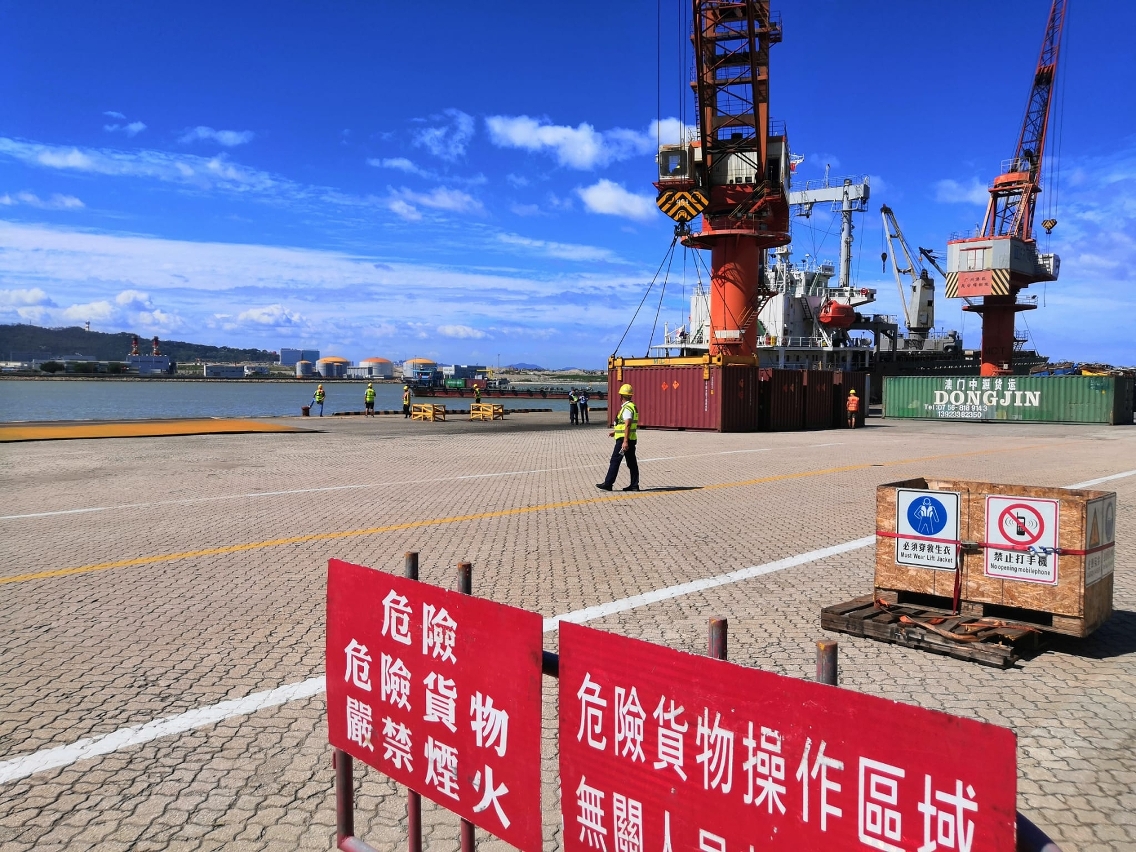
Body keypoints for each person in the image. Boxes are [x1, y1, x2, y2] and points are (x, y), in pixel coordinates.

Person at [597, 383, 639, 491]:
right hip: (630, 439)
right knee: (631, 462)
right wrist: (615, 432)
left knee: (615, 460)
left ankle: (608, 483)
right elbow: (624, 425)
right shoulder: (632, 406)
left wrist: (625, 441)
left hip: (624, 441)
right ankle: (634, 485)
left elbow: (628, 424)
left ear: (621, 396)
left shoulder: (627, 408)